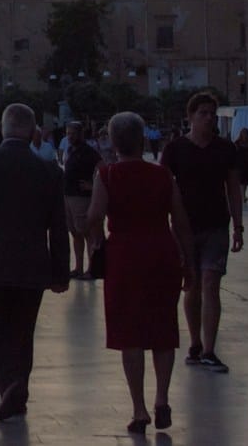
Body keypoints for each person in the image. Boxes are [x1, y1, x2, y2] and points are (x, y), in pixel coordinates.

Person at [0, 103, 71, 423]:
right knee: (22, 331)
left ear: (3, 130)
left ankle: (9, 383)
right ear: (34, 133)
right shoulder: (50, 172)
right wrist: (61, 272)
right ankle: (17, 389)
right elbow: (59, 228)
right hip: (32, 268)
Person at [87, 111, 194, 434]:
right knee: (163, 328)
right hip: (161, 253)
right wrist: (188, 261)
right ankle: (162, 398)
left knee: (129, 333)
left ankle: (139, 408)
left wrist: (95, 241)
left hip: (124, 257)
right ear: (143, 139)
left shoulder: (107, 175)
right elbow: (181, 221)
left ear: (113, 141)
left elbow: (94, 216)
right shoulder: (163, 175)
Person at [159, 91, 243, 374]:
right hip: (184, 227)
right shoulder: (174, 149)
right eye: (202, 113)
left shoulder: (225, 149)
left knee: (211, 284)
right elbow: (163, 186)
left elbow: (233, 187)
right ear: (190, 117)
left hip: (217, 225)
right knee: (192, 285)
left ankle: (209, 348)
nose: (208, 118)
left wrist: (239, 225)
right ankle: (195, 342)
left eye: (211, 113)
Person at [61, 121, 103, 280]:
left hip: (81, 198)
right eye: (68, 133)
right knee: (75, 233)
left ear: (80, 134)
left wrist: (93, 186)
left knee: (87, 233)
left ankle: (91, 268)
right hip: (68, 196)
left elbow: (103, 167)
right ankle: (78, 267)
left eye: (72, 133)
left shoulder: (89, 152)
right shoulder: (70, 150)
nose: (69, 136)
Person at [236, 127, 248, 204]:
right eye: (243, 133)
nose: (245, 135)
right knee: (241, 181)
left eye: (246, 133)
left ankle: (243, 195)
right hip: (240, 164)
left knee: (246, 182)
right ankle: (242, 196)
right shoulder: (237, 143)